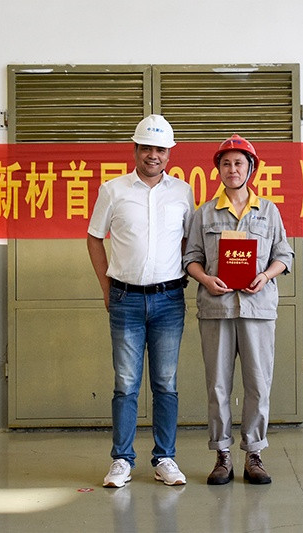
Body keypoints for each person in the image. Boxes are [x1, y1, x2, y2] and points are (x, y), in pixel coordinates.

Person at [87, 114, 195, 488]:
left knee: (165, 383)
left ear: (169, 154)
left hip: (169, 300)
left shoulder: (182, 192)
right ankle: (121, 460)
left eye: (160, 150)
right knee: (126, 383)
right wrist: (106, 288)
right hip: (125, 299)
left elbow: (188, 241)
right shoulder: (112, 190)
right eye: (147, 148)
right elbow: (94, 237)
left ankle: (165, 458)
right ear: (135, 150)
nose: (153, 155)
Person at [183, 134, 294, 485]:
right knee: (218, 385)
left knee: (258, 384)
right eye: (226, 163)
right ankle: (222, 455)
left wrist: (265, 275)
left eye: (239, 163)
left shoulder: (269, 212)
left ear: (251, 169)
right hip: (216, 309)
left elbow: (284, 255)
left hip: (257, 309)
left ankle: (254, 454)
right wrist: (206, 278)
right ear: (218, 169)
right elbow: (191, 258)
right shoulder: (204, 213)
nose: (233, 169)